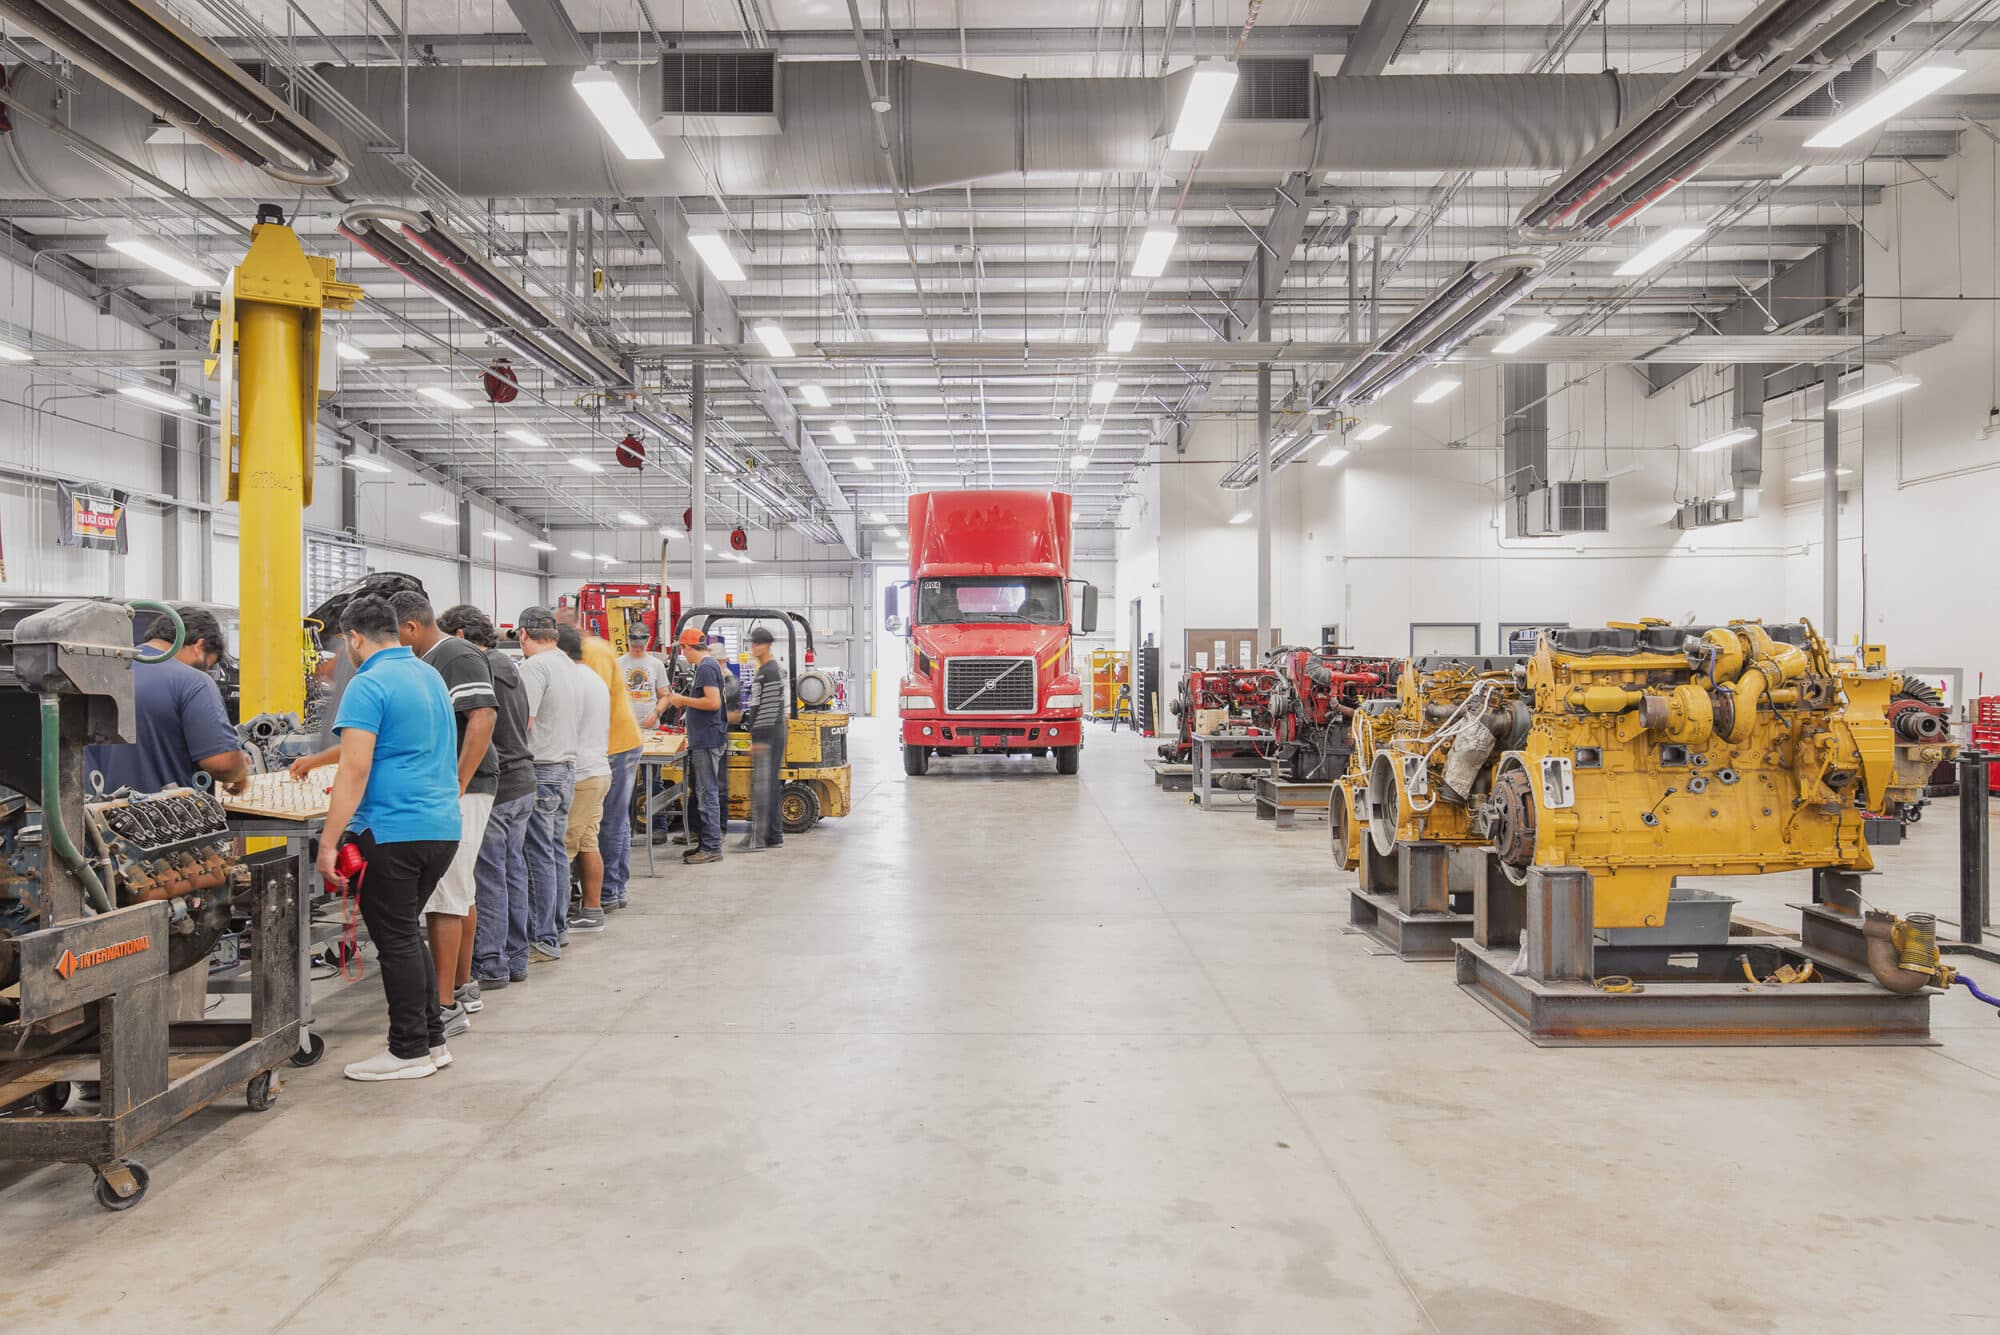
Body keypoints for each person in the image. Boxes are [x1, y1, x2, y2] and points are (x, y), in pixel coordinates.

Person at [310, 594, 462, 1083]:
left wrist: (329, 841)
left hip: (393, 830)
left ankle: (407, 1050)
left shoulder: (368, 682)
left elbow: (356, 767)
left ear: (354, 637)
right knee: (405, 933)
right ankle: (432, 1041)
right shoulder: (429, 673)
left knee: (394, 939)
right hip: (440, 828)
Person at [389, 592, 497, 1038]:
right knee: (462, 891)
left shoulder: (454, 654)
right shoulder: (430, 660)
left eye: (391, 634)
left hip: (464, 790)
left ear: (411, 627)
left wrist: (456, 782)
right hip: (455, 788)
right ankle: (462, 986)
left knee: (445, 896)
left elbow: (483, 717)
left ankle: (446, 1006)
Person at [438, 606, 537, 992]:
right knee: (514, 869)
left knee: (487, 877)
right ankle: (516, 957)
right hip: (523, 780)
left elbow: (480, 727)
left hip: (497, 785)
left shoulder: (472, 668)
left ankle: (491, 963)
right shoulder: (511, 667)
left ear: (459, 635)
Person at [86, 607, 250, 797]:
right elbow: (222, 764)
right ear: (199, 646)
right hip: (163, 820)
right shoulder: (193, 682)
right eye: (207, 665)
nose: (205, 672)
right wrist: (240, 769)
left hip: (93, 818)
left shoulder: (97, 673)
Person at [517, 606, 586, 962]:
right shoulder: (568, 666)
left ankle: (543, 938)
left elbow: (523, 721)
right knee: (556, 851)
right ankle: (557, 929)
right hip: (566, 767)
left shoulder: (534, 667)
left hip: (542, 769)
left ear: (523, 635)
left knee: (539, 854)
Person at [577, 623, 645, 913]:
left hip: (615, 745)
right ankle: (615, 888)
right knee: (617, 820)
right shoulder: (599, 650)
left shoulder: (591, 652)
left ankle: (607, 892)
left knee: (608, 822)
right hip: (617, 742)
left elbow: (593, 701)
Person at [562, 627, 613, 934]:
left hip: (579, 774)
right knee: (586, 842)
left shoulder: (569, 680)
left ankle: (551, 925)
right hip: (598, 770)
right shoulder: (594, 678)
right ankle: (591, 910)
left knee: (559, 849)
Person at [663, 626, 727, 865]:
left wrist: (682, 700)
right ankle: (705, 843)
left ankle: (711, 847)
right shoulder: (708, 666)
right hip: (706, 737)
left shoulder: (707, 667)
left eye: (683, 649)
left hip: (708, 740)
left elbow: (712, 703)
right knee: (703, 791)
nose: (684, 654)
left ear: (688, 647)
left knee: (706, 792)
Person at [738, 625, 788, 852]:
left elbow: (768, 707)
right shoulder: (765, 669)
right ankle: (774, 835)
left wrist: (758, 739)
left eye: (756, 643)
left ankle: (757, 839)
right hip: (769, 732)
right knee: (768, 785)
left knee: (762, 787)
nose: (753, 647)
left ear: (766, 645)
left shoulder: (769, 670)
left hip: (769, 734)